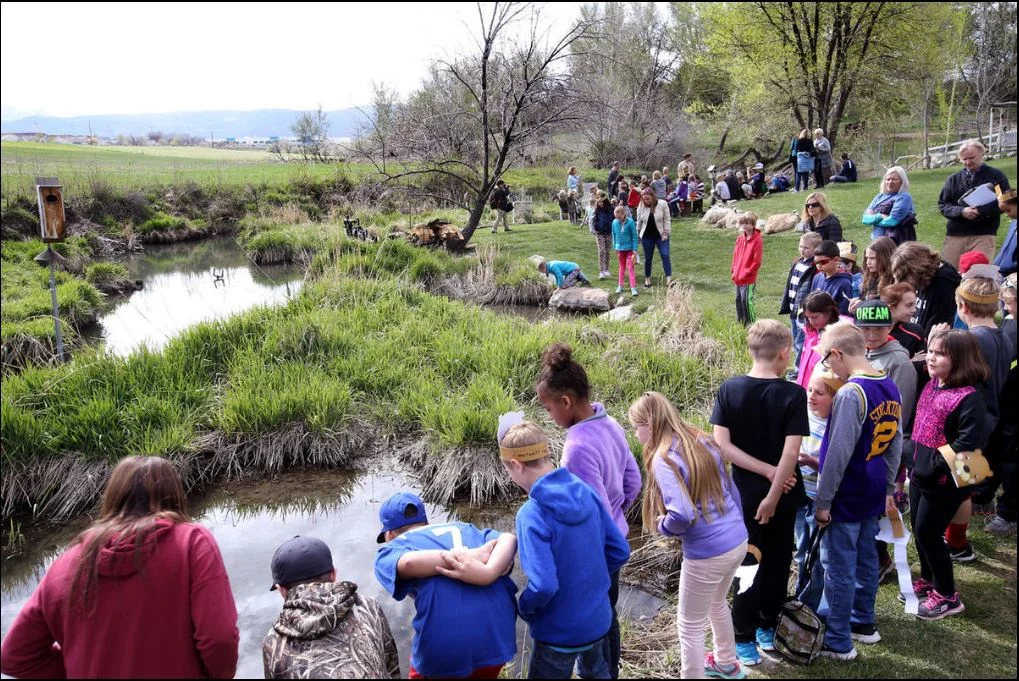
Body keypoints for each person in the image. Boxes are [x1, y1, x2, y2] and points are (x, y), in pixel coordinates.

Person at [0, 456, 239, 679]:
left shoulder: (67, 562)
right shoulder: (192, 543)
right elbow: (219, 639)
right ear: (175, 496)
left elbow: (14, 656)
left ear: (113, 499)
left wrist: (79, 667)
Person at [535, 343, 642, 678]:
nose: (551, 419)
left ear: (566, 402)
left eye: (550, 410)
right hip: (617, 539)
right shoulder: (610, 422)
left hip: (595, 550)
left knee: (593, 619)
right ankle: (610, 671)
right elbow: (634, 480)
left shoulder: (577, 446)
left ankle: (597, 672)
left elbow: (586, 511)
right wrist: (619, 512)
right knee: (606, 614)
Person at [628, 392, 749, 680]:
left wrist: (663, 526)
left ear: (650, 424)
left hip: (707, 552)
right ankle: (727, 663)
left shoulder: (663, 457)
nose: (635, 434)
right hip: (737, 538)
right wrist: (737, 526)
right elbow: (732, 490)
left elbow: (682, 514)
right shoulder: (703, 439)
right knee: (717, 603)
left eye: (636, 427)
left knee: (689, 624)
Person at [498, 420, 630, 679]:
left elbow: (544, 585)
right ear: (546, 455)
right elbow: (619, 551)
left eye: (508, 471)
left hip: (558, 633)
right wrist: (591, 585)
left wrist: (524, 608)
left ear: (516, 465)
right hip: (597, 621)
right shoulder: (586, 491)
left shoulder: (531, 515)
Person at [710, 319, 808, 667]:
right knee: (779, 560)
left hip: (745, 493)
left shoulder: (729, 389)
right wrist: (775, 487)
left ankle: (744, 637)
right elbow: (790, 454)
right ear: (784, 354)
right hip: (782, 491)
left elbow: (722, 446)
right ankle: (766, 626)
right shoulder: (794, 394)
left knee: (748, 562)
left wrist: (765, 480)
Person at [813, 323, 902, 658]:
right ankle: (863, 622)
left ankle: (837, 640)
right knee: (866, 558)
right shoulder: (889, 384)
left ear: (838, 353)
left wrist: (823, 502)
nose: (828, 368)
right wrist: (888, 487)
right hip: (874, 487)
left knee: (838, 566)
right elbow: (894, 445)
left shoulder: (852, 393)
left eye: (827, 360)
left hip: (847, 493)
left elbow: (837, 453)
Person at [374, 491, 519, 679]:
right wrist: (477, 561)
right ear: (427, 524)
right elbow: (509, 538)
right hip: (498, 640)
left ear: (389, 534)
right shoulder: (466, 528)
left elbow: (407, 563)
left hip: (445, 654)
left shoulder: (392, 548)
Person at [909, 329, 990, 620]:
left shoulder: (969, 398)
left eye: (940, 353)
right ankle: (929, 578)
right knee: (919, 529)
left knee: (929, 532)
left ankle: (947, 594)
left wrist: (932, 465)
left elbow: (968, 444)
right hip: (920, 475)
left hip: (944, 482)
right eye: (930, 350)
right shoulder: (934, 384)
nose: (931, 357)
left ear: (961, 359)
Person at [264, 536, 400, 679]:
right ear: (334, 574)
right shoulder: (369, 607)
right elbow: (392, 667)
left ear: (281, 590)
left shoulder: (273, 641)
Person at [794, 367, 844, 610]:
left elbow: (836, 464)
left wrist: (811, 461)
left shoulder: (835, 427)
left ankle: (811, 603)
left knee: (816, 555)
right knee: (800, 549)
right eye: (810, 390)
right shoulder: (802, 416)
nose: (811, 396)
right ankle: (798, 596)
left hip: (819, 498)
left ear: (835, 398)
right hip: (799, 494)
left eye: (820, 393)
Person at [937, 139, 1011, 269]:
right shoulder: (953, 180)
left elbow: (1004, 202)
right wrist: (962, 212)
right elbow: (943, 205)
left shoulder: (996, 177)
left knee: (979, 274)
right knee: (949, 272)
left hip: (984, 233)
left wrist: (981, 211)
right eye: (964, 159)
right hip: (956, 234)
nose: (968, 162)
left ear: (982, 154)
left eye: (972, 158)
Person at [984, 272, 1018, 536]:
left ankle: (1009, 513)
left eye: (1009, 302)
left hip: (1014, 407)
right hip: (1003, 399)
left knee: (1011, 459)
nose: (1005, 307)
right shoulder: (1009, 321)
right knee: (994, 449)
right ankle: (983, 495)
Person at [891, 242, 961, 338]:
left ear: (915, 271)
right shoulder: (925, 278)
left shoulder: (943, 283)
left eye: (905, 278)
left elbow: (937, 323)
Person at [780, 231, 822, 379]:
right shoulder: (798, 263)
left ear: (816, 250)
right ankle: (798, 367)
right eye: (800, 246)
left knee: (801, 341)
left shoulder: (814, 268)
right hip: (793, 308)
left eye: (806, 248)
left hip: (803, 312)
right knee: (795, 339)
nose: (802, 250)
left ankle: (799, 369)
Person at [797, 290, 848, 391]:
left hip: (825, 390)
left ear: (829, 312)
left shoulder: (842, 334)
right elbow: (804, 362)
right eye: (808, 317)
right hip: (807, 387)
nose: (811, 321)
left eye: (815, 317)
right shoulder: (811, 332)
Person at [862, 166, 916, 244]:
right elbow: (864, 219)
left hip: (896, 242)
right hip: (876, 241)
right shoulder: (879, 197)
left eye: (894, 179)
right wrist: (880, 216)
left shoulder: (904, 197)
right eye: (888, 179)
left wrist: (873, 218)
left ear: (902, 181)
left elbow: (892, 221)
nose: (890, 182)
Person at [636, 187, 672, 289]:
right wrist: (637, 235)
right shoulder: (641, 206)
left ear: (653, 197)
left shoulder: (662, 204)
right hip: (647, 236)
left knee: (665, 255)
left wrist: (666, 232)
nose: (646, 201)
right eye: (644, 199)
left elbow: (667, 219)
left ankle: (669, 279)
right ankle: (647, 279)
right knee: (648, 258)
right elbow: (638, 222)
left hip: (661, 235)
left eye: (648, 199)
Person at [881, 282, 927, 362]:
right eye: (909, 305)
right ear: (891, 308)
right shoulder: (872, 331)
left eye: (914, 305)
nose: (914, 310)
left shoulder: (915, 332)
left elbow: (922, 363)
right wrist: (908, 362)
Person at [731, 212, 763, 326]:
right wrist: (733, 269)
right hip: (738, 276)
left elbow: (757, 261)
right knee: (738, 300)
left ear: (753, 224)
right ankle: (741, 323)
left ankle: (752, 324)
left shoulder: (757, 240)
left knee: (746, 301)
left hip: (748, 278)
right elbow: (735, 255)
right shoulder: (740, 238)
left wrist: (748, 272)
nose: (745, 226)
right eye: (743, 223)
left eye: (748, 223)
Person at [810, 240, 853, 316]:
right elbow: (810, 303)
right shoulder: (817, 278)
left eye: (823, 262)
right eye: (816, 262)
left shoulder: (845, 283)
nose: (819, 265)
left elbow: (845, 313)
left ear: (836, 260)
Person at [855, 236, 897, 305]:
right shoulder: (870, 276)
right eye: (867, 258)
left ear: (885, 258)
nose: (867, 262)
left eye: (872, 258)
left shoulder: (896, 281)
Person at [612, 204, 639, 297]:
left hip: (629, 249)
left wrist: (635, 249)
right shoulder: (614, 222)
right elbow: (614, 235)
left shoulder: (630, 222)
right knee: (622, 267)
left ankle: (633, 287)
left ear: (623, 214)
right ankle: (620, 285)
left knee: (630, 267)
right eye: (616, 218)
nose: (617, 219)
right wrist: (614, 246)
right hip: (620, 248)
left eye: (619, 217)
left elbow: (635, 236)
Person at [994, 188, 1017, 277]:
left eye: (1008, 210)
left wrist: (1004, 268)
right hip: (1002, 273)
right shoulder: (1015, 222)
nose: (1007, 214)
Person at [594, 191, 616, 279]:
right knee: (602, 250)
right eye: (598, 202)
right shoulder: (597, 209)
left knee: (607, 251)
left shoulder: (611, 209)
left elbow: (615, 220)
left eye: (601, 202)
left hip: (608, 232)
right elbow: (592, 220)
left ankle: (606, 269)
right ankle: (601, 271)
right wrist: (594, 229)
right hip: (599, 232)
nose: (600, 203)